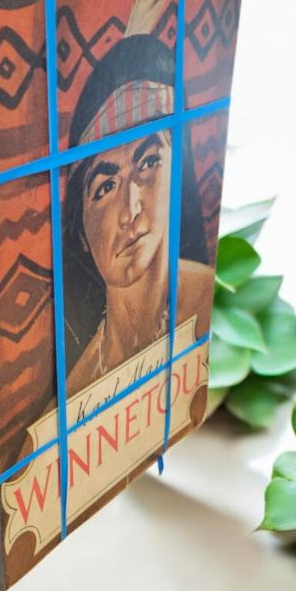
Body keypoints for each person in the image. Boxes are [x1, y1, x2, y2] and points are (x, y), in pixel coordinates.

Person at [63, 34, 214, 397]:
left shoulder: (210, 305)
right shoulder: (76, 392)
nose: (130, 210)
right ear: (81, 232)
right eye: (105, 187)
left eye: (147, 163)